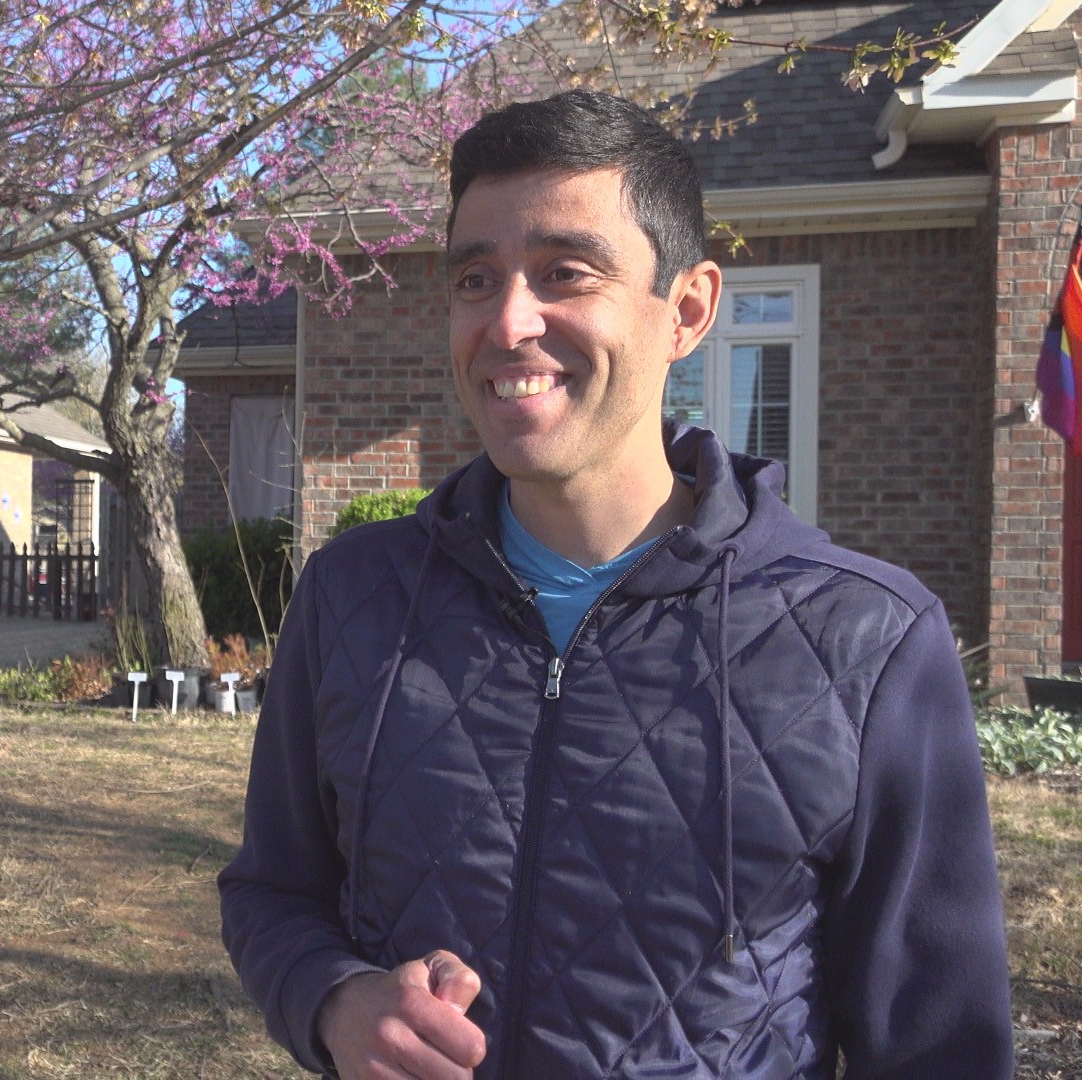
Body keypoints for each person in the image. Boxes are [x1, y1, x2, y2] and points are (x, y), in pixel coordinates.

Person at [217, 89, 1012, 1079]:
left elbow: (939, 1044)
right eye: (475, 278)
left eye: (565, 273)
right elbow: (271, 893)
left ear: (687, 310)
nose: (508, 323)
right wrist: (332, 998)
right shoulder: (351, 597)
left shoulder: (868, 640)